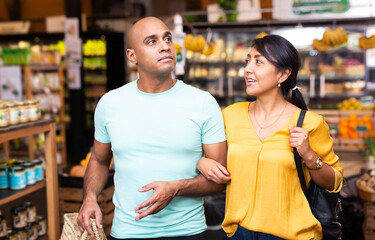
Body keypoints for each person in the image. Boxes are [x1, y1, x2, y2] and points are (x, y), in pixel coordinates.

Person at [77, 16, 227, 240]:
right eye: (152, 41)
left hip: (188, 232)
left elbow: (220, 179)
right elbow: (99, 160)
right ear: (132, 56)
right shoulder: (110, 103)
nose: (165, 45)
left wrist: (177, 187)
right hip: (128, 232)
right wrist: (89, 197)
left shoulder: (203, 103)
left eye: (167, 38)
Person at [197, 35, 343, 240]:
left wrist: (309, 156)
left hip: (292, 235)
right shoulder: (230, 115)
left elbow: (334, 181)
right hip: (238, 233)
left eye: (258, 61)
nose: (248, 68)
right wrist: (202, 162)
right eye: (247, 61)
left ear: (283, 74)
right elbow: (210, 156)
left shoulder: (309, 123)